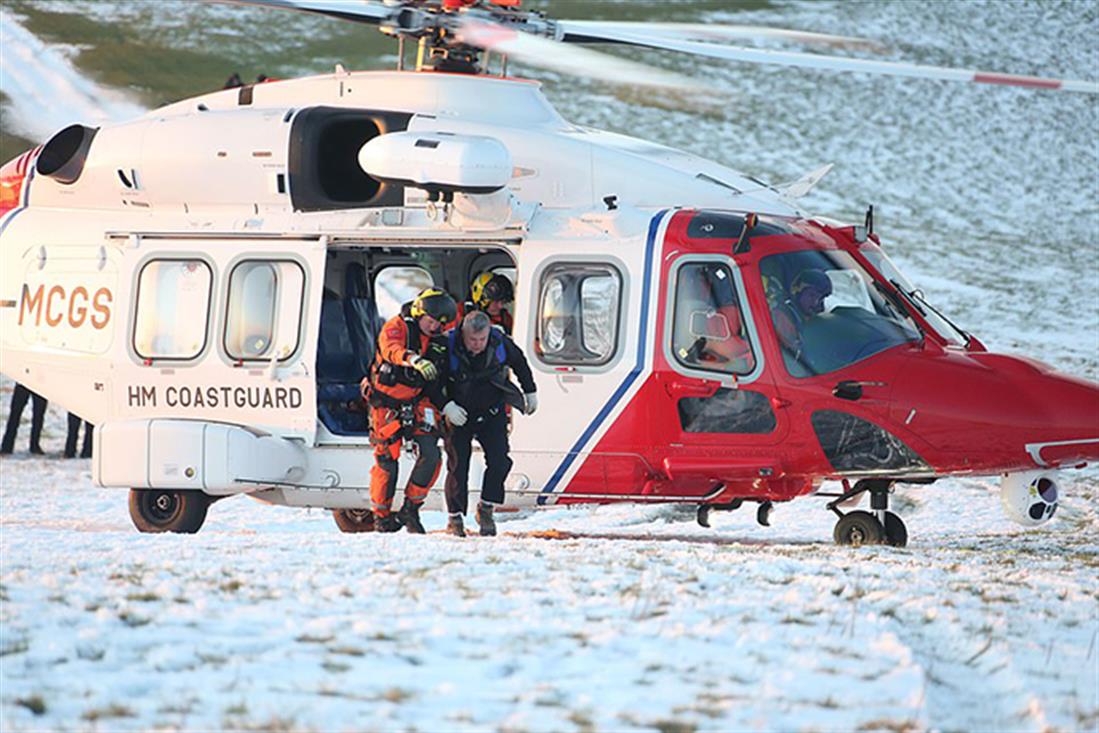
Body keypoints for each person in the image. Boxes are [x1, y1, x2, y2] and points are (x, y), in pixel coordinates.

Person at [361, 288, 456, 533]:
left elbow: (440, 377)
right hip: (386, 403)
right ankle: (381, 517)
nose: (436, 327)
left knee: (432, 455)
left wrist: (447, 405)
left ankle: (411, 509)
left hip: (418, 401)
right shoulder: (397, 327)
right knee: (386, 461)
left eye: (441, 324)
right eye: (432, 320)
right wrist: (412, 359)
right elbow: (390, 348)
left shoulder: (439, 341)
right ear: (419, 312)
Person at [440, 310, 537, 537]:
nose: (477, 344)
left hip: (491, 411)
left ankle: (486, 508)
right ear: (463, 334)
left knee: (500, 461)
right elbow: (434, 381)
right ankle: (454, 517)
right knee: (457, 465)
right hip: (459, 413)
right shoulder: (447, 345)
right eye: (472, 340)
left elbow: (519, 362)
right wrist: (446, 406)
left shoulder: (498, 341)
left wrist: (530, 390)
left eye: (481, 339)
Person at [772, 268, 833, 356]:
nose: (815, 302)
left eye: (820, 298)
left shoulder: (813, 322)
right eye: (811, 295)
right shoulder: (782, 317)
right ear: (797, 291)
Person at [1, 383, 46, 455]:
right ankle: (7, 446)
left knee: (38, 415)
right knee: (15, 414)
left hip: (39, 381)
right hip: (25, 380)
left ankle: (34, 446)